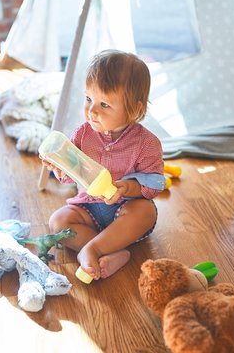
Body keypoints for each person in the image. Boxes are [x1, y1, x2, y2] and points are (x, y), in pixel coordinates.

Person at [42, 49, 165, 281]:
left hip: (125, 209)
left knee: (145, 211)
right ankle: (114, 251)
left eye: (104, 104)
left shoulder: (147, 143)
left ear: (134, 110)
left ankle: (93, 249)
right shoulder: (82, 133)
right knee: (58, 222)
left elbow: (156, 182)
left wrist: (128, 188)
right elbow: (72, 175)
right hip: (89, 207)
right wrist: (60, 169)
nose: (91, 111)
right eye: (88, 99)